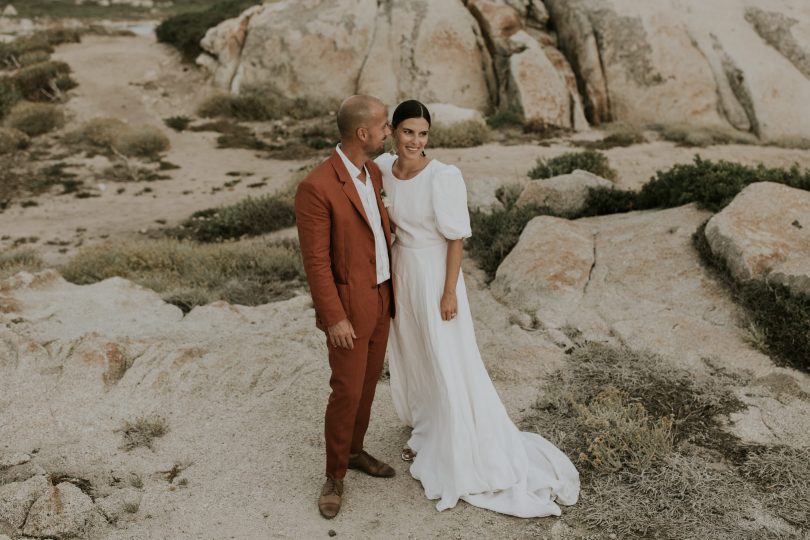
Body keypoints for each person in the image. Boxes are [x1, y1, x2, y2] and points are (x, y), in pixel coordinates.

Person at [374, 100, 580, 517]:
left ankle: (459, 441)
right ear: (393, 132)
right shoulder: (382, 167)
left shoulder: (443, 176)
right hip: (403, 271)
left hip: (434, 274)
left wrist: (449, 292)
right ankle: (429, 428)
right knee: (415, 353)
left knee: (447, 355)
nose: (415, 141)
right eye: (408, 131)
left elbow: (456, 240)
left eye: (423, 133)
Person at [295, 95, 396, 519]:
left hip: (381, 297)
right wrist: (334, 316)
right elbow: (316, 262)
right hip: (348, 308)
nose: (388, 130)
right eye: (385, 125)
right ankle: (334, 474)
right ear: (362, 133)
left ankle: (355, 452)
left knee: (370, 384)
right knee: (347, 390)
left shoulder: (372, 171)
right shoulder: (316, 187)